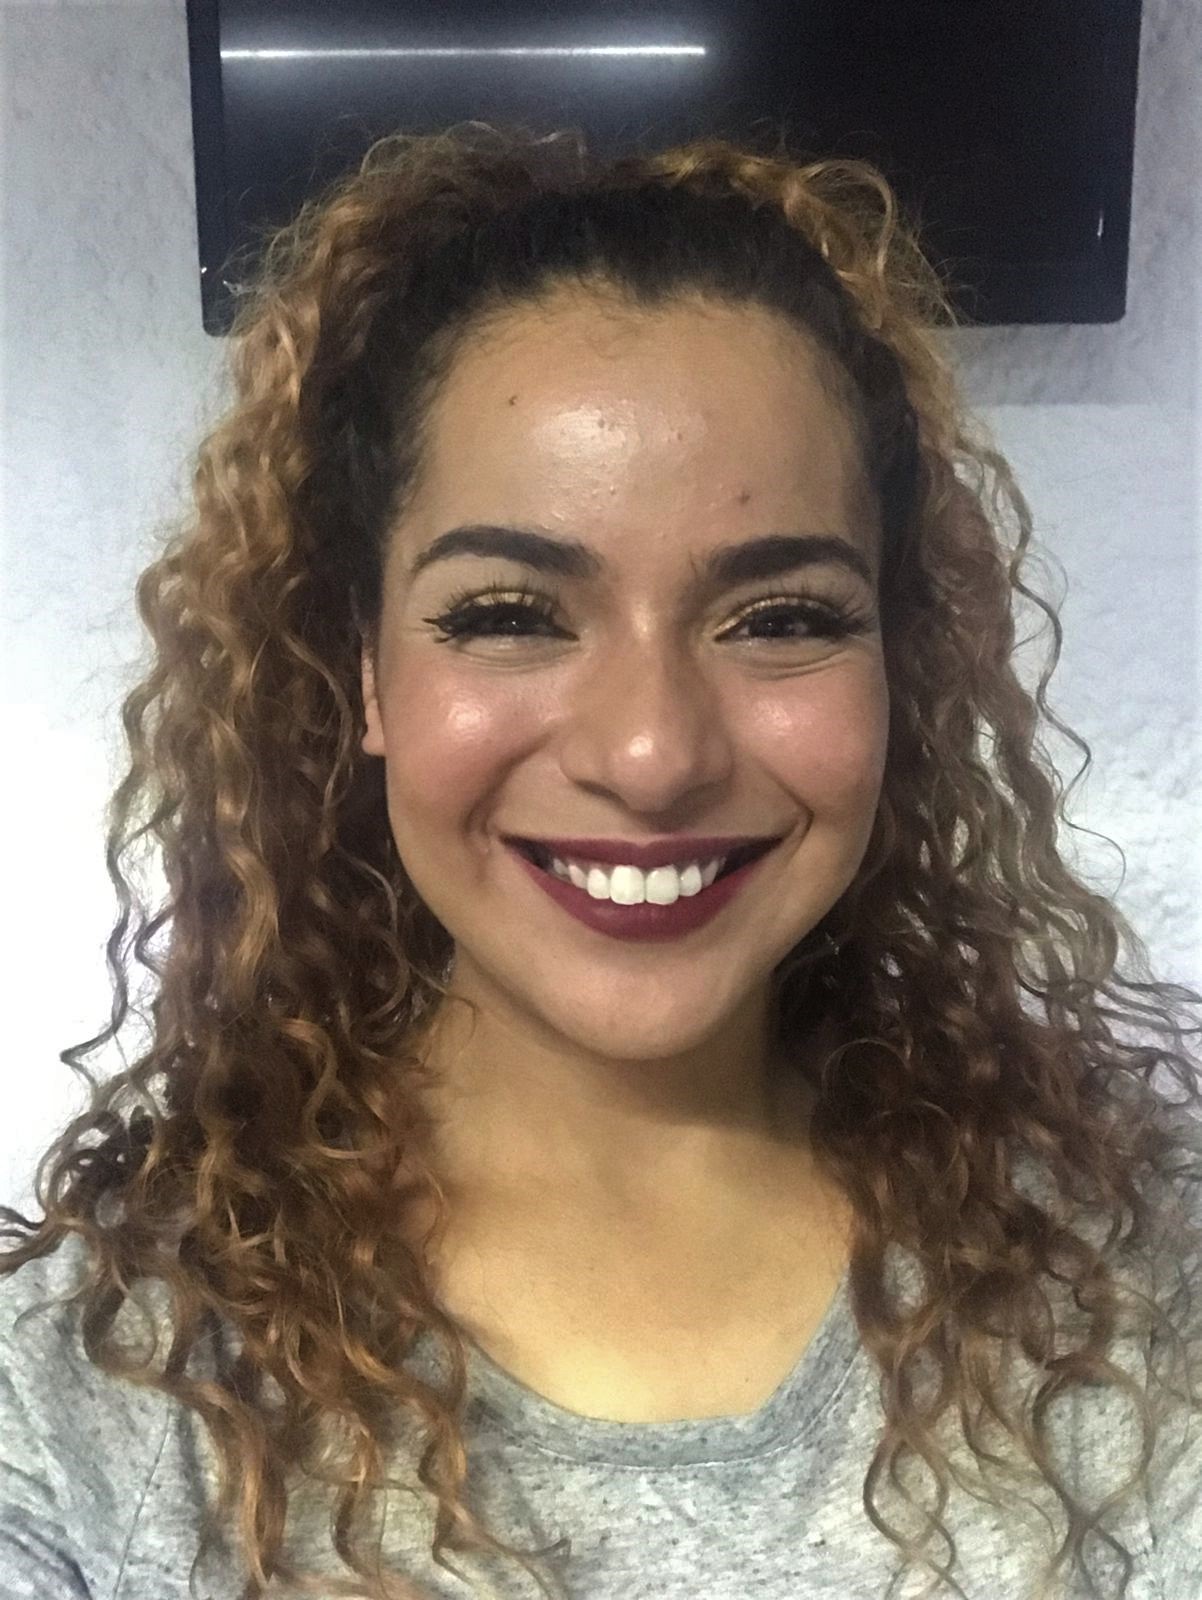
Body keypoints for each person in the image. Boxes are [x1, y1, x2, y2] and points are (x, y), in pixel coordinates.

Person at [1, 122, 1200, 1600]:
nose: (650, 754)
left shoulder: (1138, 1271)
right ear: (364, 673)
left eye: (780, 619)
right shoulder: (94, 1401)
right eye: (509, 614)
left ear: (902, 666)